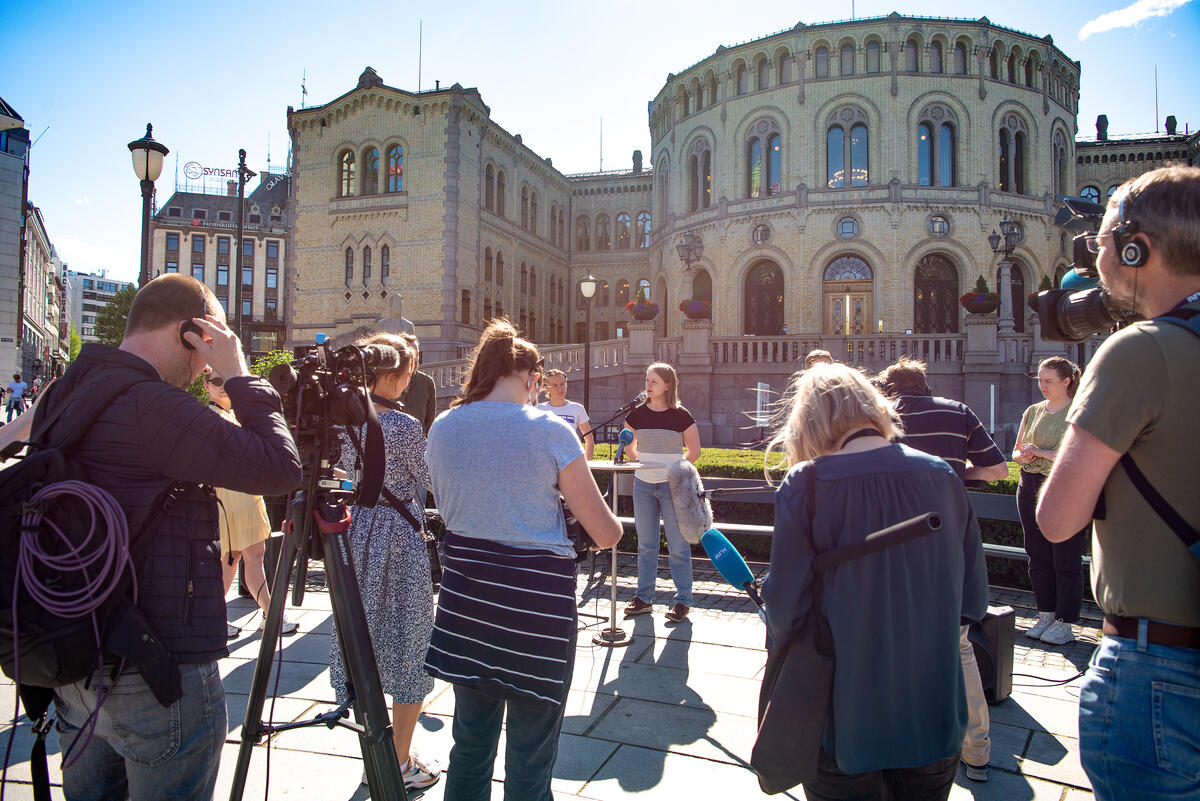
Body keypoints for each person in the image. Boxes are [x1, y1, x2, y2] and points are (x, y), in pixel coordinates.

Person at [35, 273, 301, 801]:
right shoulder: (154, 405)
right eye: (209, 348)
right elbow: (279, 467)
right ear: (192, 334)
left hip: (74, 657)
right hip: (158, 668)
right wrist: (240, 374)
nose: (207, 366)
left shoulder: (66, 391)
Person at [1038, 166, 1200, 801]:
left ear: (1138, 248)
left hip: (1157, 665)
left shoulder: (1139, 351)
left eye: (1101, 240)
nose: (1092, 253)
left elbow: (1057, 520)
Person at [764, 363, 988, 801]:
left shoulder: (805, 484)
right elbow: (973, 601)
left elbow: (786, 610)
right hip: (932, 708)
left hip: (842, 716)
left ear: (809, 421)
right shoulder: (941, 474)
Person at [424, 319, 621, 801]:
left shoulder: (444, 426)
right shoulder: (549, 430)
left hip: (466, 599)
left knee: (469, 742)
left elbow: (450, 502)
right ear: (533, 378)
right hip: (534, 609)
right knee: (531, 751)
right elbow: (605, 531)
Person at [877, 355, 1008, 783]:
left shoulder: (879, 415)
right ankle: (978, 752)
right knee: (959, 644)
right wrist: (952, 475)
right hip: (949, 536)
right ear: (924, 384)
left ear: (888, 386)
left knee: (889, 640)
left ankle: (899, 741)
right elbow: (997, 469)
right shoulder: (957, 412)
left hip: (889, 537)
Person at [330, 332, 441, 792]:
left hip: (354, 533)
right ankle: (397, 760)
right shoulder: (405, 426)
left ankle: (375, 753)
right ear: (395, 374)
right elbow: (430, 480)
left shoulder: (339, 421)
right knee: (410, 645)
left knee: (364, 642)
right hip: (398, 538)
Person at [204, 371, 298, 639]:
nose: (222, 387)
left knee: (246, 557)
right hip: (228, 496)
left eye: (225, 381)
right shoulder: (213, 416)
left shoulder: (230, 414)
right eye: (215, 382)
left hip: (241, 495)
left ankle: (264, 614)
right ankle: (267, 614)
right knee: (232, 560)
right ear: (206, 385)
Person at [1014, 356, 1089, 646]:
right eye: (1040, 380)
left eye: (1048, 381)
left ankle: (1066, 621)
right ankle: (1045, 612)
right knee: (1037, 553)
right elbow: (1016, 453)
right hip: (1029, 483)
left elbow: (1079, 455)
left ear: (1067, 381)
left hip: (1065, 487)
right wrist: (1026, 455)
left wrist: (1042, 453)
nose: (1042, 385)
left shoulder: (1080, 411)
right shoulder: (1033, 410)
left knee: (1065, 556)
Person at [622, 362, 702, 623]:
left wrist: (676, 471)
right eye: (646, 379)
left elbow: (694, 452)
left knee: (678, 546)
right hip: (643, 486)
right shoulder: (636, 414)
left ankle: (683, 600)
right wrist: (638, 460)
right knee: (646, 544)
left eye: (654, 381)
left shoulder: (681, 415)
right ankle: (644, 598)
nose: (648, 384)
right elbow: (628, 443)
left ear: (668, 385)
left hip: (672, 487)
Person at [537, 368, 595, 459]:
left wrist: (588, 465)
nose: (560, 388)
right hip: (546, 463)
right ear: (547, 388)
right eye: (555, 385)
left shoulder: (577, 408)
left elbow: (589, 440)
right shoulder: (538, 409)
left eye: (562, 384)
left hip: (571, 462)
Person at [396, 332, 437, 436]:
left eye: (417, 354)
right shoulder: (389, 382)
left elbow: (430, 422)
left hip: (418, 445)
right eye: (412, 354)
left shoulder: (427, 382)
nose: (417, 359)